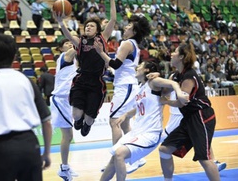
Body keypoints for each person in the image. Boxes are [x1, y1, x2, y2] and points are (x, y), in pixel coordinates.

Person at [0, 34, 52, 181]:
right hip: (29, 146)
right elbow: (47, 121)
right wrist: (47, 153)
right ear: (14, 56)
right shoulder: (27, 80)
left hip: (0, 148)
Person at [100, 61, 188, 181]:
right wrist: (125, 115)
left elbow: (173, 83)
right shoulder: (141, 87)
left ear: (147, 70)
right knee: (114, 158)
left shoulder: (153, 82)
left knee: (120, 154)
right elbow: (139, 108)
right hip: (136, 132)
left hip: (149, 134)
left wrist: (179, 93)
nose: (137, 67)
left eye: (140, 66)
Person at [55, 0, 116, 137]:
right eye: (86, 26)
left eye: (91, 26)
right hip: (81, 80)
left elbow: (113, 20)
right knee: (76, 116)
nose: (88, 27)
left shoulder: (102, 38)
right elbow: (68, 35)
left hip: (96, 82)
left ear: (97, 30)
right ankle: (79, 120)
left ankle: (88, 123)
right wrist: (60, 22)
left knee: (89, 118)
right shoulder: (80, 41)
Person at [94, 15, 150, 173]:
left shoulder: (127, 43)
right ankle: (137, 157)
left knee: (115, 122)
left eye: (129, 26)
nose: (126, 27)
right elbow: (117, 66)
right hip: (127, 85)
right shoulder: (132, 44)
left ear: (134, 31)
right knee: (124, 124)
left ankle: (117, 161)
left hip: (125, 87)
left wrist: (100, 52)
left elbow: (116, 64)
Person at [158, 42, 220, 181]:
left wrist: (166, 102)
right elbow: (164, 90)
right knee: (164, 149)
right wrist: (155, 79)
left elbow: (182, 101)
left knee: (204, 158)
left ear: (181, 57)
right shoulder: (175, 76)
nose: (171, 54)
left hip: (201, 116)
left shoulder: (189, 76)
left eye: (175, 52)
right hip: (188, 119)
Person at [50, 39, 78, 181]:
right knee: (67, 136)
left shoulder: (74, 61)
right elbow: (79, 45)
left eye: (70, 42)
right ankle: (63, 168)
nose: (70, 44)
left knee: (68, 136)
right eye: (66, 43)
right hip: (60, 99)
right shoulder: (65, 56)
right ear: (61, 49)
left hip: (67, 100)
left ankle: (65, 167)